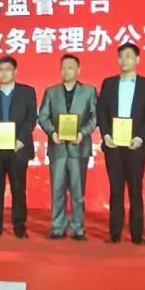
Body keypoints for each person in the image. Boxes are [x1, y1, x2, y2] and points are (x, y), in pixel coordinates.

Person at [97, 42, 145, 244]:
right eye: (121, 56)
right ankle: (115, 233)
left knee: (135, 190)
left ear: (137, 60)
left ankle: (137, 234)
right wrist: (106, 135)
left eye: (129, 56)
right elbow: (101, 111)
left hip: (136, 145)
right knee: (116, 190)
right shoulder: (109, 83)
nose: (125, 60)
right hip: (113, 144)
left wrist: (140, 137)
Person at [37, 54, 98, 241]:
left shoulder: (89, 91)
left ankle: (78, 228)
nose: (66, 71)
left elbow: (94, 117)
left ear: (78, 70)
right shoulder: (51, 91)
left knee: (78, 192)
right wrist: (51, 132)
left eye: (70, 67)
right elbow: (43, 116)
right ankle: (57, 227)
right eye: (63, 67)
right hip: (58, 148)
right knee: (57, 190)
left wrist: (83, 133)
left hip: (79, 148)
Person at [0, 56, 37, 238]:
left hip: (18, 148)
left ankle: (19, 227)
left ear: (15, 72)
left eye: (8, 69)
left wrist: (21, 139)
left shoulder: (27, 92)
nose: (4, 73)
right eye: (1, 70)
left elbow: (31, 118)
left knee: (18, 190)